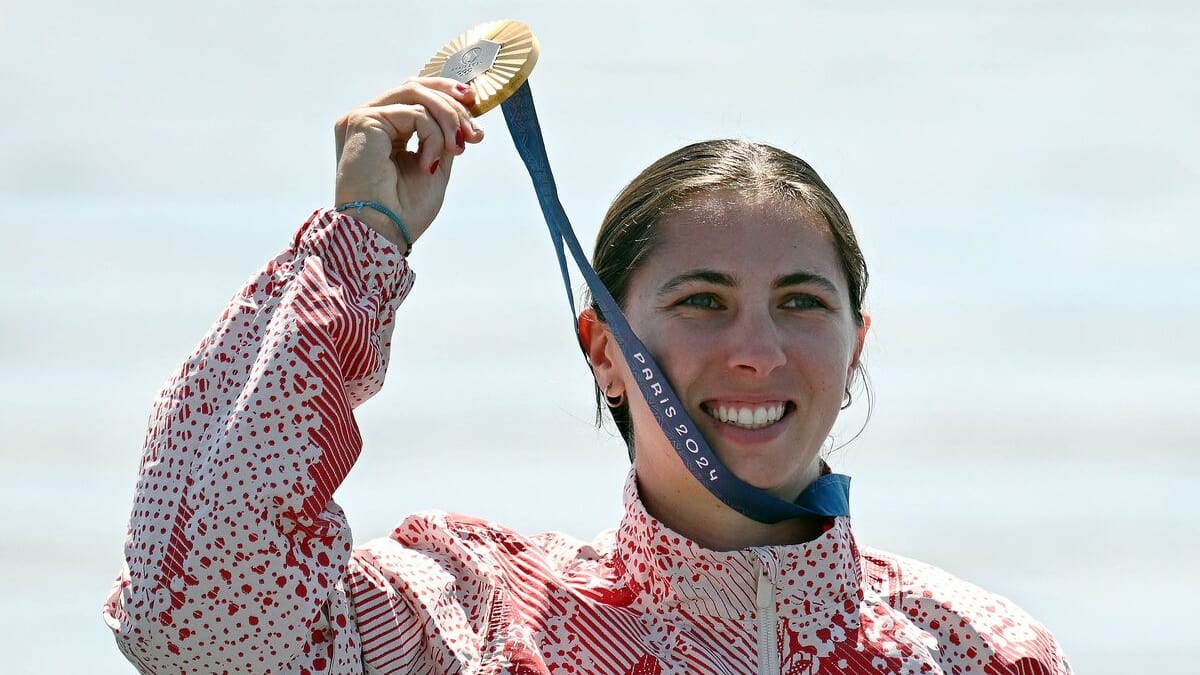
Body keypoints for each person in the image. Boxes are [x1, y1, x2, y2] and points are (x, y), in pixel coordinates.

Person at [103, 77, 1071, 674]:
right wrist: (361, 244)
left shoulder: (976, 651)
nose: (758, 351)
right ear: (602, 347)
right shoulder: (466, 620)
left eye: (800, 303)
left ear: (855, 345)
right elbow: (197, 619)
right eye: (701, 300)